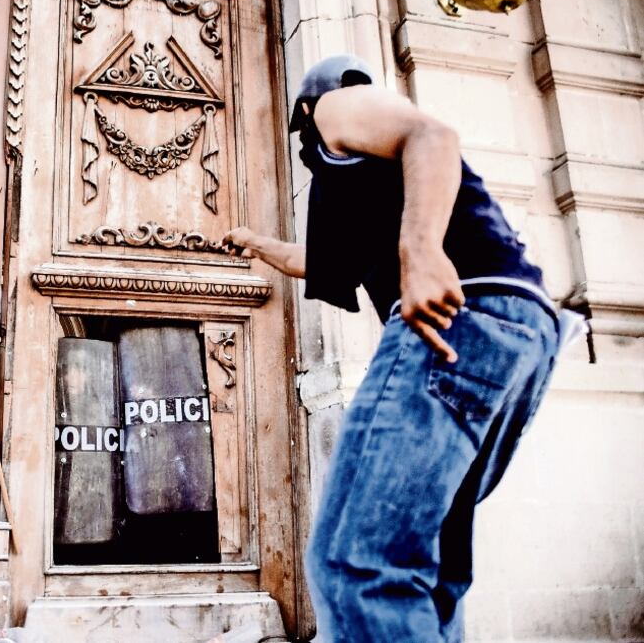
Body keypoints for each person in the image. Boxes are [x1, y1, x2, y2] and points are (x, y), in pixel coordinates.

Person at [224, 55, 567, 642]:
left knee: (358, 564)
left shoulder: (334, 107)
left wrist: (422, 248)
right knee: (429, 569)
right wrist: (255, 243)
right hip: (517, 331)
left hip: (460, 316)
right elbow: (321, 264)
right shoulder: (368, 186)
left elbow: (430, 134)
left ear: (305, 108)